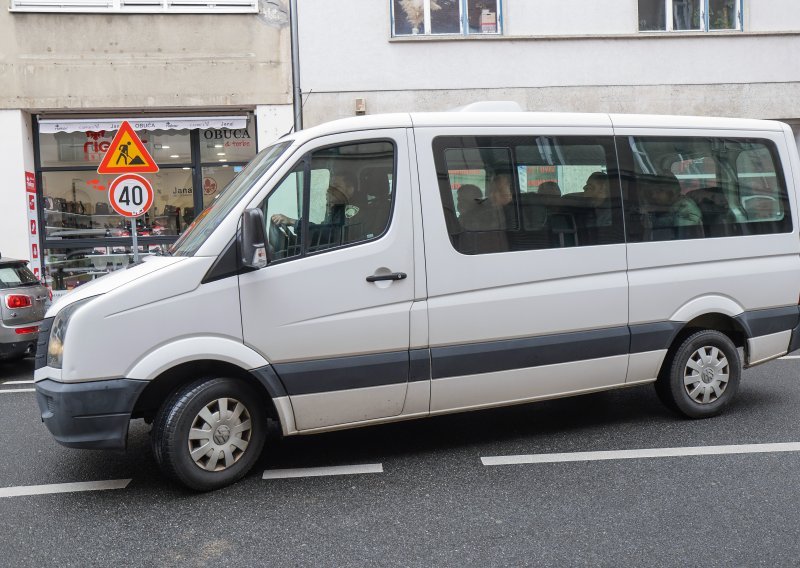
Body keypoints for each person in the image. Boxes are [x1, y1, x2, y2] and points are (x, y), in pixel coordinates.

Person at [270, 171, 370, 248]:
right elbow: (322, 233)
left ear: (350, 189)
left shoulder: (353, 211)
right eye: (329, 187)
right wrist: (294, 239)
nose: (328, 191)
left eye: (336, 187)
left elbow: (331, 235)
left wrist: (294, 222)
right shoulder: (338, 208)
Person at [640, 173, 704, 240]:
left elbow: (680, 237)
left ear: (671, 193)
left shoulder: (686, 209)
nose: (654, 196)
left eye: (659, 191)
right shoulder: (672, 206)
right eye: (653, 192)